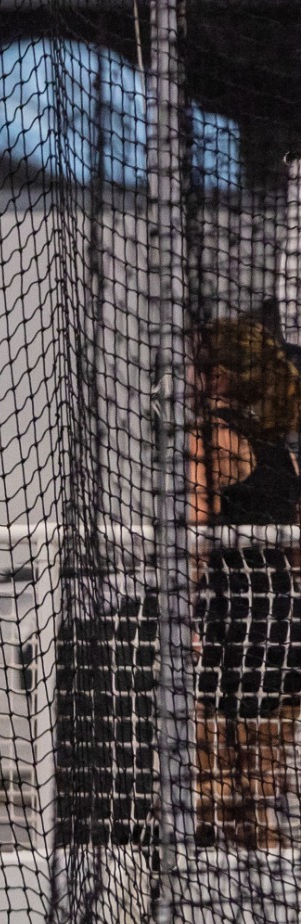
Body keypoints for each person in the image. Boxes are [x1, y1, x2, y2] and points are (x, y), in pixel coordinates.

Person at [187, 317, 301, 848]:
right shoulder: (283, 451)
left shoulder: (211, 436)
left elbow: (195, 532)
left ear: (220, 376)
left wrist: (184, 615)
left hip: (234, 616)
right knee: (261, 799)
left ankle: (206, 913)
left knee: (213, 794)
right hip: (283, 615)